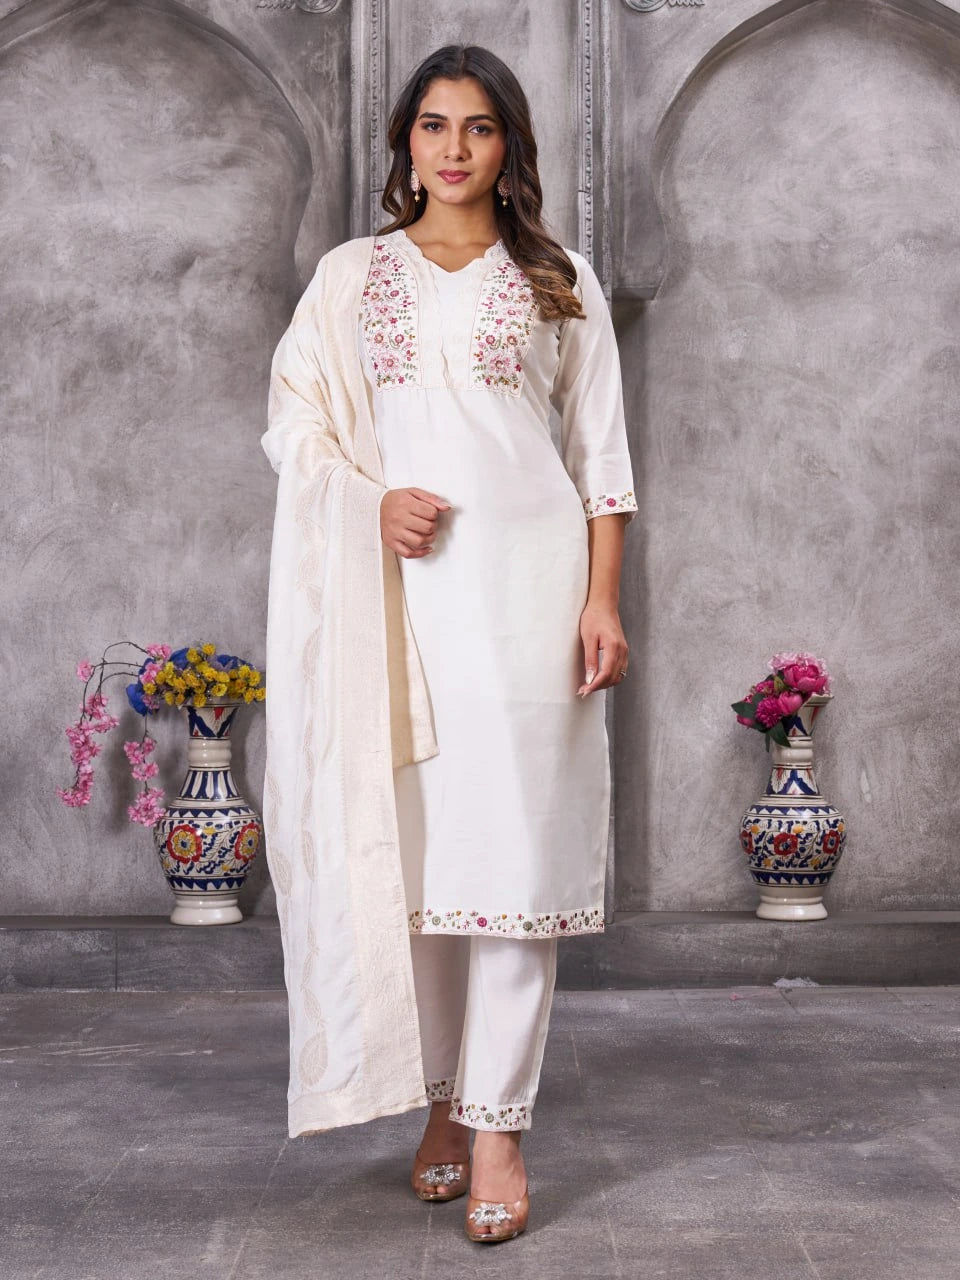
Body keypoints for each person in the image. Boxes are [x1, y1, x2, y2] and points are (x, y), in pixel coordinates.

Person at [261, 44, 637, 1246]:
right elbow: (296, 422)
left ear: (510, 146)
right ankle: (438, 1104)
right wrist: (371, 503)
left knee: (513, 871)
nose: (456, 149)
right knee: (420, 873)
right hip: (399, 607)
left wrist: (602, 602)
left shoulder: (558, 279)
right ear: (405, 143)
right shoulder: (348, 277)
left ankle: (498, 1127)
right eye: (434, 126)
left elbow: (604, 467)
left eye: (480, 128)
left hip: (530, 602)